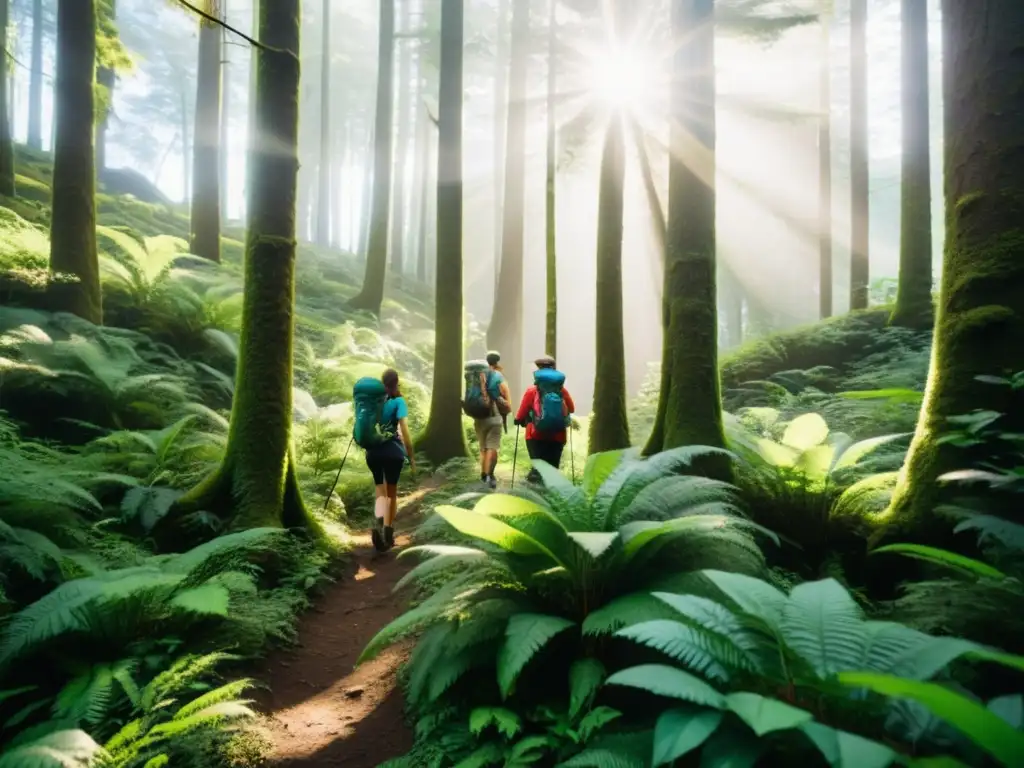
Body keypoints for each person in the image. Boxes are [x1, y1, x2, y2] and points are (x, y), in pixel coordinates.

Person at [366, 368, 415, 552]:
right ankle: (388, 529)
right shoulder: (398, 401)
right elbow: (404, 430)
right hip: (393, 452)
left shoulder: (373, 401)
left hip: (373, 452)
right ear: (396, 383)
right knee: (391, 493)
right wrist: (411, 455)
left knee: (380, 488)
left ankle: (379, 523)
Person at [514, 355, 575, 484]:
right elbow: (572, 408)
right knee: (552, 467)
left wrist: (518, 419)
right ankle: (550, 495)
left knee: (538, 465)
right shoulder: (562, 391)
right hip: (558, 435)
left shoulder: (532, 391)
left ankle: (534, 493)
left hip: (535, 434)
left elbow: (521, 413)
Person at [473, 351, 511, 489]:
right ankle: (489, 475)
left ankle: (483, 475)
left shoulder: (477, 375)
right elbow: (506, 397)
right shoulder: (498, 376)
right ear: (497, 362)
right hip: (494, 416)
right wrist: (507, 407)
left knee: (483, 447)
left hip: (478, 416)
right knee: (492, 447)